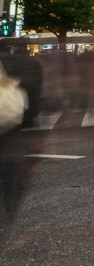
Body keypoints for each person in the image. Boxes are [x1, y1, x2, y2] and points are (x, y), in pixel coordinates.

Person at [0, 42, 43, 229]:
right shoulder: (30, 65)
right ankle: (7, 219)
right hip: (13, 134)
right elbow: (34, 103)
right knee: (12, 181)